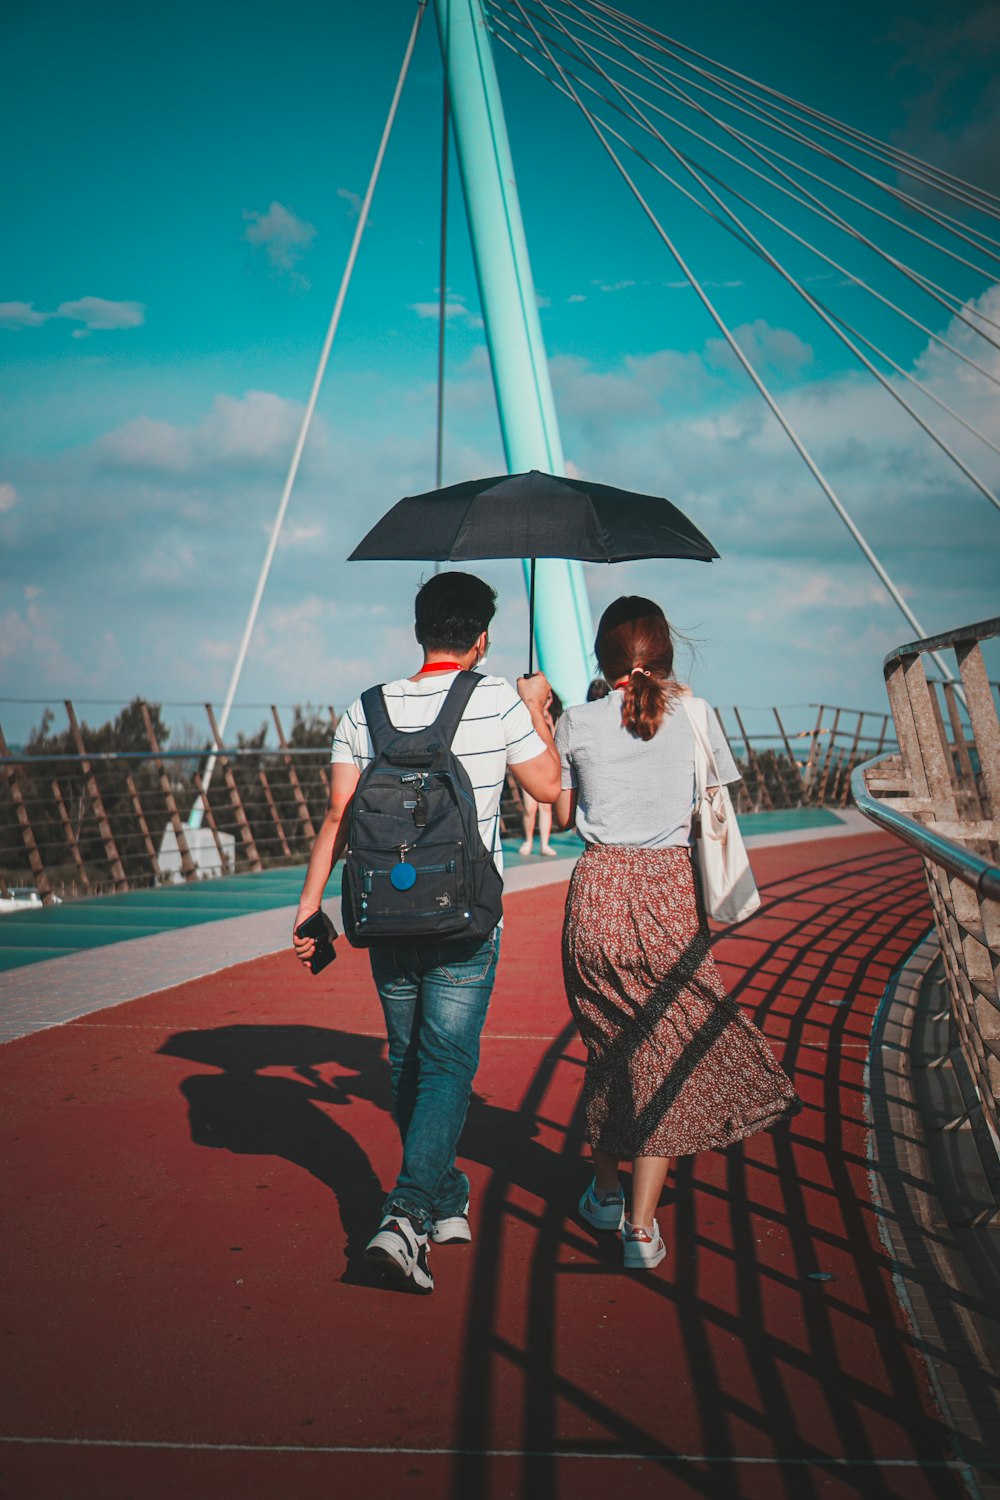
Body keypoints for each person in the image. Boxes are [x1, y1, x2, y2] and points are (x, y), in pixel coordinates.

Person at [293, 571, 560, 1293]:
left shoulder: (366, 706)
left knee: (409, 1060)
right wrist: (537, 711)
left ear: (420, 632)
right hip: (465, 916)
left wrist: (310, 904)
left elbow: (338, 816)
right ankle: (407, 1213)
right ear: (480, 638)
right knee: (447, 1065)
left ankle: (444, 1198)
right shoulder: (498, 695)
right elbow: (550, 791)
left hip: (384, 910)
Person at [554, 596, 800, 1272]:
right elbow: (709, 806)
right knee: (665, 1051)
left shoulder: (575, 720)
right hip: (666, 894)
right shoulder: (695, 715)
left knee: (609, 1048)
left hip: (597, 894)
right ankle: (638, 1226)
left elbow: (560, 806)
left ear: (603, 659)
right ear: (664, 655)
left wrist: (540, 711)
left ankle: (606, 1192)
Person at [518, 689, 563, 857]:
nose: (547, 700)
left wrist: (549, 722)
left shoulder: (555, 717)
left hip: (548, 766)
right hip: (529, 766)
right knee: (529, 807)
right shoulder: (526, 716)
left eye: (549, 697)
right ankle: (528, 840)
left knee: (546, 807)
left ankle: (544, 844)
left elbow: (556, 741)